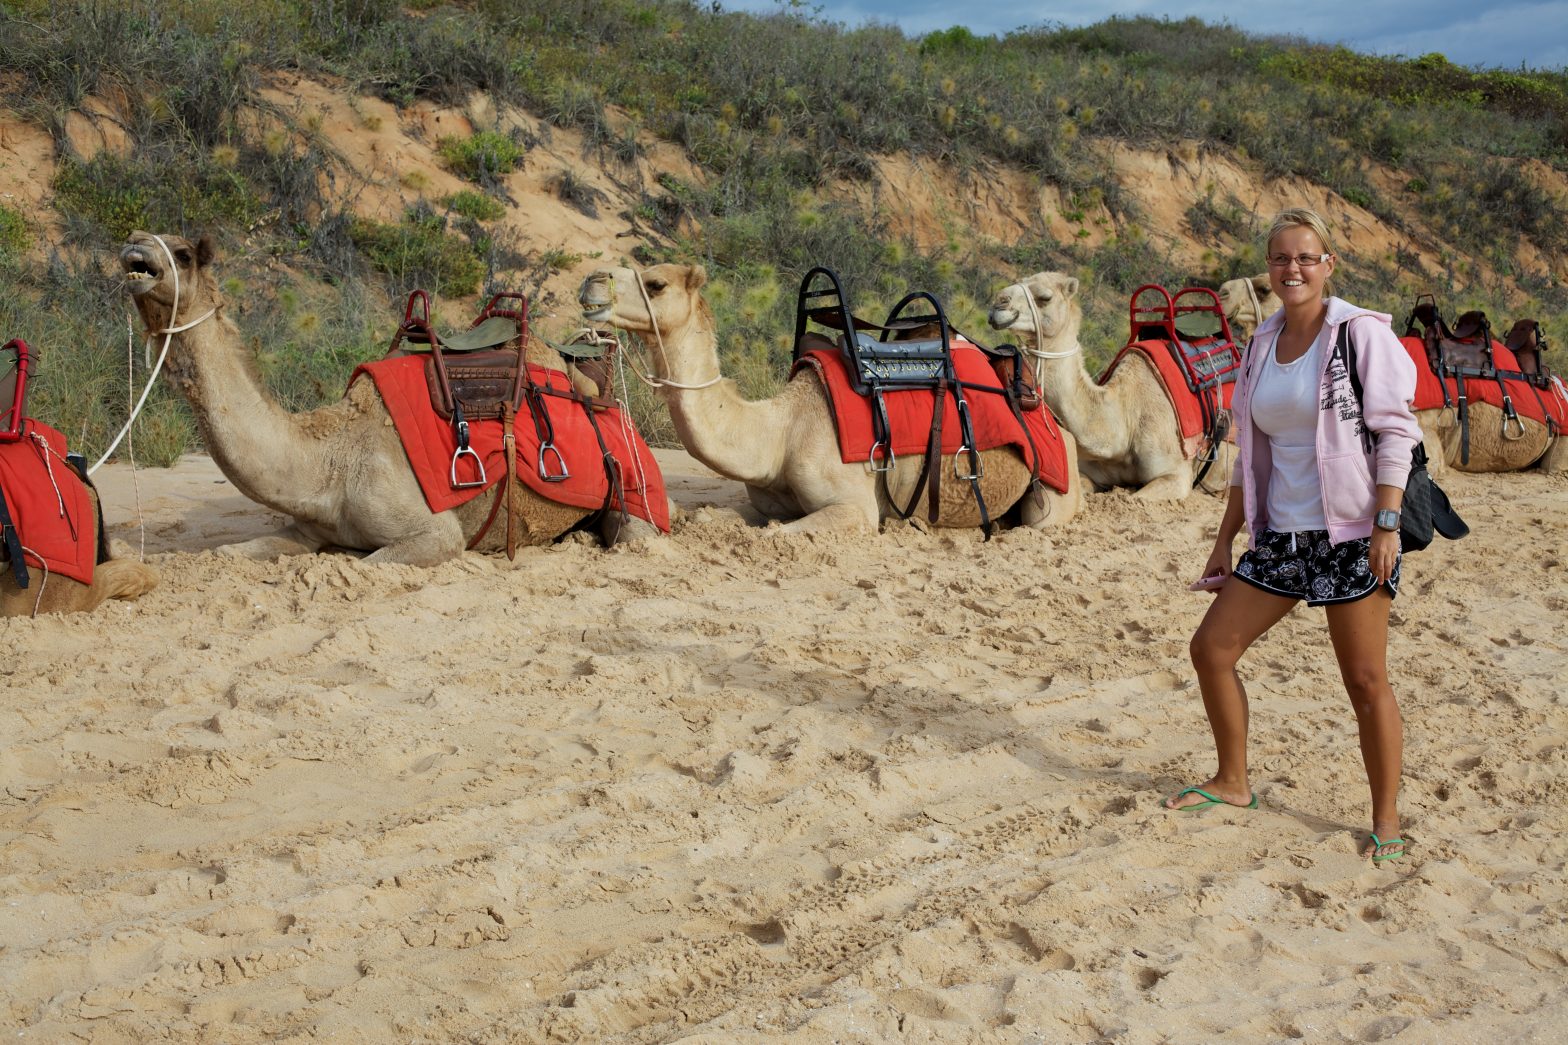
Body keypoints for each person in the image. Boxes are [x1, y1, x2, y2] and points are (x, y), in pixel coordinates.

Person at [1165, 208, 1423, 864]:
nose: (1293, 268)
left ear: (1328, 263)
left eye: (1307, 257)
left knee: (1365, 679)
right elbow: (1250, 456)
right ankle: (1233, 780)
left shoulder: (1359, 334)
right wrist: (1227, 539)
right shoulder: (1260, 343)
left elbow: (1397, 431)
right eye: (1281, 259)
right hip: (1281, 535)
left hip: (1353, 531)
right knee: (1211, 648)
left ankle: (1385, 814)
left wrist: (1386, 523)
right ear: (1269, 271)